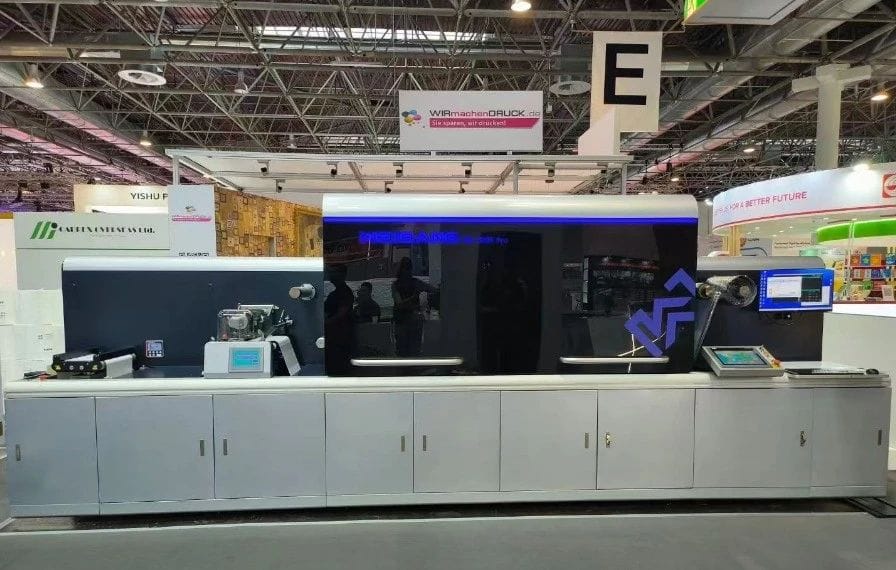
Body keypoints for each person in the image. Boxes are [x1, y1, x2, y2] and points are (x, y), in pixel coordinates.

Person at [391, 257, 437, 357]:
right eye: (406, 268)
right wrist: (415, 296)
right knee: (410, 351)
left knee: (407, 351)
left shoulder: (398, 284)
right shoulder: (410, 283)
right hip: (405, 321)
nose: (407, 271)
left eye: (408, 268)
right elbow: (400, 304)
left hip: (407, 320)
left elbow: (433, 290)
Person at [324, 264, 354, 374]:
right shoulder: (334, 294)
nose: (331, 274)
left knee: (339, 366)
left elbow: (341, 313)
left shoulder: (345, 292)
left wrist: (326, 323)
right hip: (333, 335)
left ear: (342, 275)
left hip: (340, 336)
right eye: (331, 272)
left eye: (334, 272)